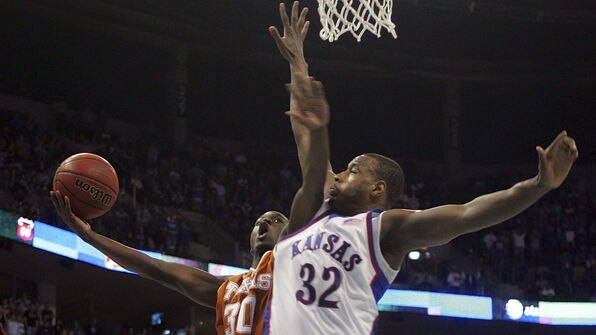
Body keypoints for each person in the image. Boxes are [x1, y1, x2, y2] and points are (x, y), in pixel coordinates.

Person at [265, 70, 579, 332]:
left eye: (353, 170)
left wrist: (538, 185)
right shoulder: (320, 205)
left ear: (377, 189)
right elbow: (305, 134)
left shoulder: (385, 229)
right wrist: (298, 62)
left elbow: (468, 215)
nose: (340, 174)